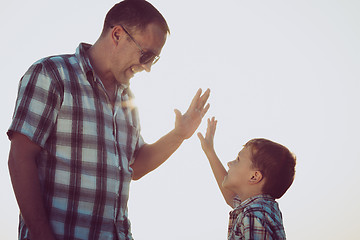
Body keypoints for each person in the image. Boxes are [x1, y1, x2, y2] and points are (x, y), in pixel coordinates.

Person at [7, 1, 210, 240]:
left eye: (153, 60)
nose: (147, 68)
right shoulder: (52, 74)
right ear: (117, 34)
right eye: (146, 55)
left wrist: (179, 135)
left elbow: (135, 166)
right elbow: (20, 158)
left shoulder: (128, 101)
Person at [198, 117, 296, 239]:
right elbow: (231, 197)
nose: (229, 163)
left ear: (254, 176)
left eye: (238, 160)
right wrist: (209, 151)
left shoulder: (254, 214)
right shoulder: (262, 207)